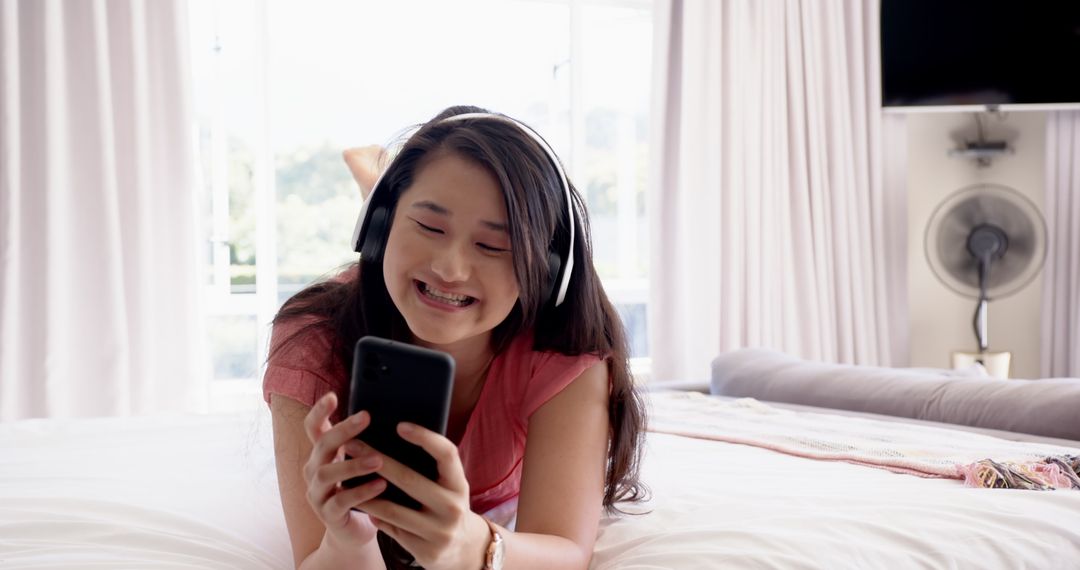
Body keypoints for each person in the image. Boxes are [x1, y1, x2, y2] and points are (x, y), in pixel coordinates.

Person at [264, 105, 646, 570]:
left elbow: (564, 550)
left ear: (543, 275)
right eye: (429, 226)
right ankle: (375, 179)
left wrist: (473, 545)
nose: (451, 268)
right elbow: (315, 559)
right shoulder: (313, 336)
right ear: (378, 227)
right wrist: (350, 542)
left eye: (492, 246)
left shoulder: (563, 351)